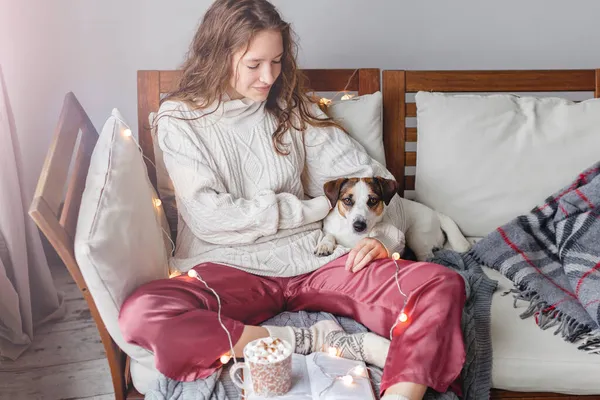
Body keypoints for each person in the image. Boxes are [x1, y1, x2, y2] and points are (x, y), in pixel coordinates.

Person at [118, 1, 466, 399]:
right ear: (217, 55)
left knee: (442, 284)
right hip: (226, 268)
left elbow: (374, 180)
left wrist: (382, 238)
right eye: (254, 64)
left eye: (278, 61)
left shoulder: (291, 108)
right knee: (142, 314)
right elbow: (210, 218)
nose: (269, 77)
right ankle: (307, 340)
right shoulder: (179, 120)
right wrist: (315, 208)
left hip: (317, 261)